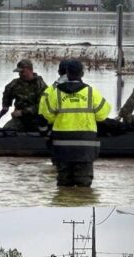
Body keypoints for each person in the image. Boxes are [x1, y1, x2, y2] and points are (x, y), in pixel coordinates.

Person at [38, 59, 110, 187]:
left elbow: (46, 116)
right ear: (82, 74)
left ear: (67, 73)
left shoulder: (56, 93)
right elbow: (102, 115)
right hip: (85, 145)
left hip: (62, 145)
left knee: (64, 184)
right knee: (84, 185)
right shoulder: (91, 92)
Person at [1, 59, 47, 131]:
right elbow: (7, 93)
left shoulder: (40, 85)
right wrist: (5, 106)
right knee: (7, 130)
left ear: (30, 70)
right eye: (19, 72)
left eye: (22, 72)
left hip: (35, 119)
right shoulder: (15, 83)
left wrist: (23, 112)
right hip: (19, 119)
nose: (20, 74)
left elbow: (42, 106)